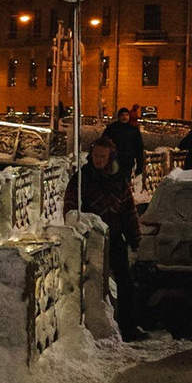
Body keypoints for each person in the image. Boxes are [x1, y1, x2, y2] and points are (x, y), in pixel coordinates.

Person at [71, 136, 142, 336]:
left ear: (111, 157)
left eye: (102, 156)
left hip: (114, 236)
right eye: (95, 155)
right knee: (90, 281)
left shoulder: (120, 179)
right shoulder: (82, 177)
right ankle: (88, 327)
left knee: (125, 282)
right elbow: (70, 205)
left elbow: (129, 212)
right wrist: (77, 226)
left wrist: (135, 239)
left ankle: (128, 326)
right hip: (90, 239)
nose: (98, 160)